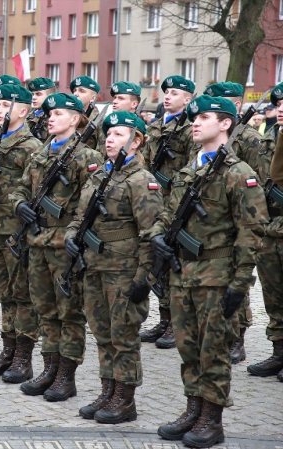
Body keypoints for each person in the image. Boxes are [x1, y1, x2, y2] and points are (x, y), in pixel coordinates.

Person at [151, 95, 267, 447]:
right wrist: (158, 234)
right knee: (188, 347)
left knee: (212, 350)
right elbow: (168, 212)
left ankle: (212, 420)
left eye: (203, 117)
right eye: (193, 118)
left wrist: (239, 284)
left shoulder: (238, 174)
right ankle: (193, 409)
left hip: (216, 276)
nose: (195, 124)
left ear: (226, 123)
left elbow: (252, 233)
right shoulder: (191, 168)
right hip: (182, 272)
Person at [66, 111, 162, 424]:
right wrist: (71, 234)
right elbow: (81, 216)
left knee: (124, 337)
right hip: (95, 267)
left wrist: (144, 278)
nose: (109, 139)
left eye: (119, 134)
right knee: (103, 333)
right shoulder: (100, 175)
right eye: (108, 134)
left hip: (123, 271)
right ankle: (108, 390)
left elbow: (151, 236)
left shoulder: (141, 181)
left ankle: (125, 398)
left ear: (137, 141)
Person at [9, 92, 104, 402]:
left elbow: (87, 206)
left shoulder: (86, 157)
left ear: (75, 120)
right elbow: (21, 187)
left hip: (64, 245)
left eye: (59, 114)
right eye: (49, 113)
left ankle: (66, 375)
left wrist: (74, 237)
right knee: (45, 310)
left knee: (69, 313)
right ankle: (49, 368)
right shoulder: (41, 153)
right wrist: (20, 203)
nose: (51, 117)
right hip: (37, 242)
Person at [0, 84, 42, 380]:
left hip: (15, 231)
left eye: (6, 107)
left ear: (23, 112)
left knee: (21, 294)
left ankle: (23, 357)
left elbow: (34, 192)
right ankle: (7, 350)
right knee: (2, 291)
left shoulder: (32, 148)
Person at [203, 81, 272, 363]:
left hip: (239, 216)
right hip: (212, 217)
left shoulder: (251, 138)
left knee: (237, 280)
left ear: (236, 105)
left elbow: (262, 181)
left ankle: (238, 339)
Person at [139, 75, 198, 350]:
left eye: (175, 93)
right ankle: (164, 320)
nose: (168, 96)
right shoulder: (156, 126)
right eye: (167, 92)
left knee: (173, 263)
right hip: (154, 203)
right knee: (157, 263)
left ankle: (177, 323)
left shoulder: (189, 129)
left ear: (188, 99)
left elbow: (192, 167)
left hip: (175, 202)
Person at [248, 82, 283, 382]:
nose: (280, 109)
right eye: (279, 104)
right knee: (273, 296)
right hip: (270, 230)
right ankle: (279, 352)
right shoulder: (269, 140)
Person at [95, 81, 141, 155]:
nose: (115, 101)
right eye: (115, 98)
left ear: (134, 104)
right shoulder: (105, 123)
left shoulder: (141, 129)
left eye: (121, 98)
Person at [25, 77, 56, 142]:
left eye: (38, 94)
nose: (33, 97)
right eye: (32, 94)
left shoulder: (54, 117)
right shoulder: (28, 114)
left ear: (50, 96)